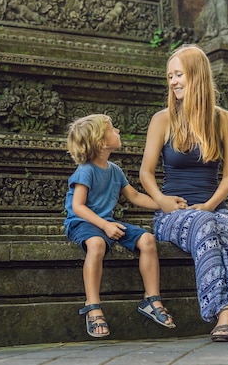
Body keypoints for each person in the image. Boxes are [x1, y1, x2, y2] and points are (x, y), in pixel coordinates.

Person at [139, 44, 228, 343]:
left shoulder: (225, 120)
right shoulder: (162, 119)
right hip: (172, 215)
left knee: (220, 225)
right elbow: (145, 173)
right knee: (208, 225)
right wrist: (163, 202)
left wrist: (208, 205)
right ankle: (225, 307)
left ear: (197, 76)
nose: (174, 81)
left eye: (179, 74)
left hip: (215, 209)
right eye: (170, 76)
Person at [64, 114, 175, 338]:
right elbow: (78, 207)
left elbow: (134, 196)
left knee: (147, 240)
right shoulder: (86, 170)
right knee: (96, 245)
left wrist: (166, 204)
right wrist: (104, 225)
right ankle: (93, 306)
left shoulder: (114, 169)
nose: (118, 132)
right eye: (112, 129)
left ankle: (151, 300)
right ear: (101, 142)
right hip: (83, 222)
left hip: (107, 222)